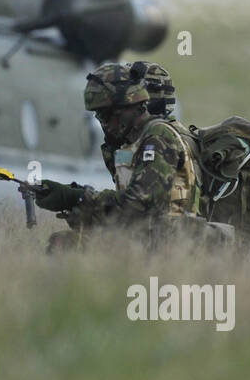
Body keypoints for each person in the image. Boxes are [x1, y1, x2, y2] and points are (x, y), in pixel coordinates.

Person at [34, 62, 205, 248]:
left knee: (66, 245)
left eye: (107, 115)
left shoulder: (158, 137)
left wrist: (79, 198)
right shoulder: (134, 142)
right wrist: (77, 199)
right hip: (149, 239)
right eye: (99, 116)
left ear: (130, 106)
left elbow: (138, 205)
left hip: (170, 243)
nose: (104, 124)